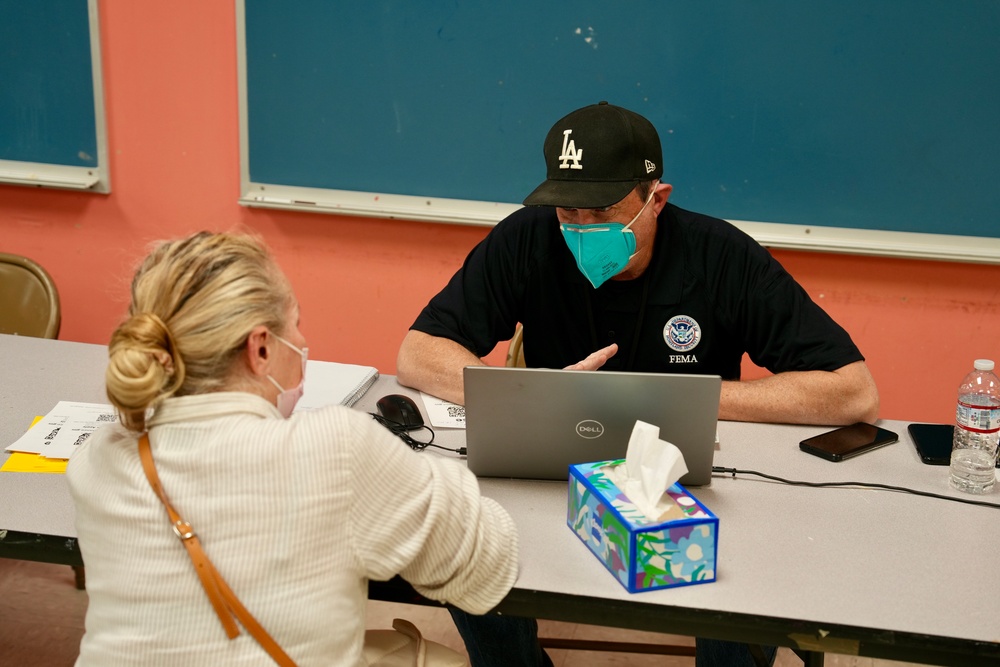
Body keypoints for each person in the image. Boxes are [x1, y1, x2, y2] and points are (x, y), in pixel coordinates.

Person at [396, 102, 880, 666]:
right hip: (554, 461)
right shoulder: (526, 240)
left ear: (657, 198)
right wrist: (527, 392)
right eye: (566, 211)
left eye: (600, 210)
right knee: (463, 544)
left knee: (739, 580)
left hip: (682, 477)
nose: (579, 227)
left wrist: (692, 400)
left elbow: (853, 390)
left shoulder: (719, 254)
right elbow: (417, 351)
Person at [67, 231, 519, 666]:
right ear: (260, 349)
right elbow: (486, 566)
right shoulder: (338, 450)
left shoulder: (98, 457)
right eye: (295, 325)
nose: (302, 343)